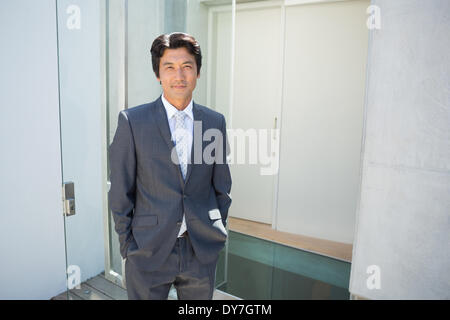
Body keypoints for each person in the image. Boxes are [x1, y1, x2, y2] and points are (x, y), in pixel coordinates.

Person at [108, 32, 232, 300]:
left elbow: (222, 186)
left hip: (200, 249)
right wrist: (128, 246)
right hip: (147, 249)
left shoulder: (214, 122)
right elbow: (120, 190)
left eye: (187, 66)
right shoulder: (132, 122)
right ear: (158, 74)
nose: (179, 76)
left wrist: (216, 230)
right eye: (170, 67)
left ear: (198, 72)